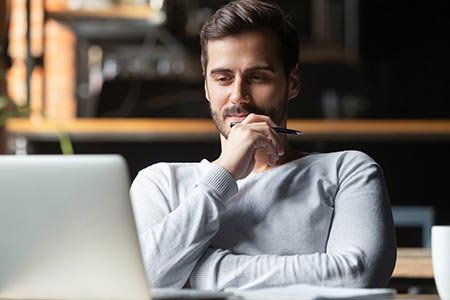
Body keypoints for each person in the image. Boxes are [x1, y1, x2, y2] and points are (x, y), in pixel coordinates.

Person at [130, 0, 396, 290]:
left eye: (258, 77)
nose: (238, 96)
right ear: (206, 87)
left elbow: (358, 276)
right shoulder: (160, 182)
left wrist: (200, 271)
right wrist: (224, 174)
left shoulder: (348, 171)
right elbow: (138, 281)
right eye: (223, 78)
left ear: (292, 82)